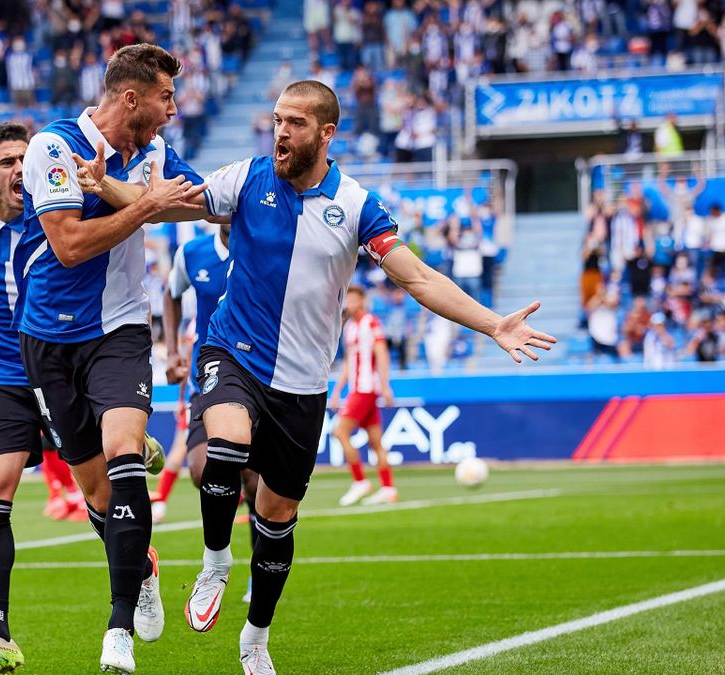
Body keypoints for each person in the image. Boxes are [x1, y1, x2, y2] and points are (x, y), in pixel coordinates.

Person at [177, 81, 553, 672]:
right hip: (233, 351)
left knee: (277, 517)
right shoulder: (245, 178)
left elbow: (420, 279)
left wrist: (491, 325)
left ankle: (256, 639)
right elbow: (165, 204)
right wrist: (108, 189)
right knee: (223, 446)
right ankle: (216, 561)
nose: (280, 132)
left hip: (301, 385)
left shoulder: (355, 206)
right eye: (277, 119)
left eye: (295, 123)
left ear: (326, 133)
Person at [0, 122, 169, 674]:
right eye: (7, 162)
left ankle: (138, 563)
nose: (21, 169)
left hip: (69, 362)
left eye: (25, 157)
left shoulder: (57, 210)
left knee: (98, 496)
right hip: (5, 373)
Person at [15, 44, 208, 674]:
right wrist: (145, 203)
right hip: (48, 337)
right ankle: (142, 565)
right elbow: (69, 245)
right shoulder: (53, 146)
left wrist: (134, 194)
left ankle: (118, 624)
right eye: (165, 98)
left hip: (121, 330)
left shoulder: (153, 153)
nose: (172, 111)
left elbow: (193, 201)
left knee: (128, 454)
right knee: (97, 493)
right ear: (131, 98)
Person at [153, 221, 236, 525]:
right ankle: (216, 564)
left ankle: (256, 569)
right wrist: (173, 353)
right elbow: (172, 294)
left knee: (256, 480)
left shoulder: (264, 246)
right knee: (201, 471)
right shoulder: (193, 253)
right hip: (206, 375)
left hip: (256, 372)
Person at [330, 285, 397, 506]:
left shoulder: (370, 322)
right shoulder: (349, 326)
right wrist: (338, 390)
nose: (350, 304)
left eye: (354, 300)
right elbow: (350, 361)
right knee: (376, 441)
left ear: (362, 301)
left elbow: (382, 353)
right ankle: (388, 488)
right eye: (347, 300)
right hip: (357, 388)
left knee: (340, 432)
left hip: (366, 389)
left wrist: (385, 386)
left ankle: (360, 481)